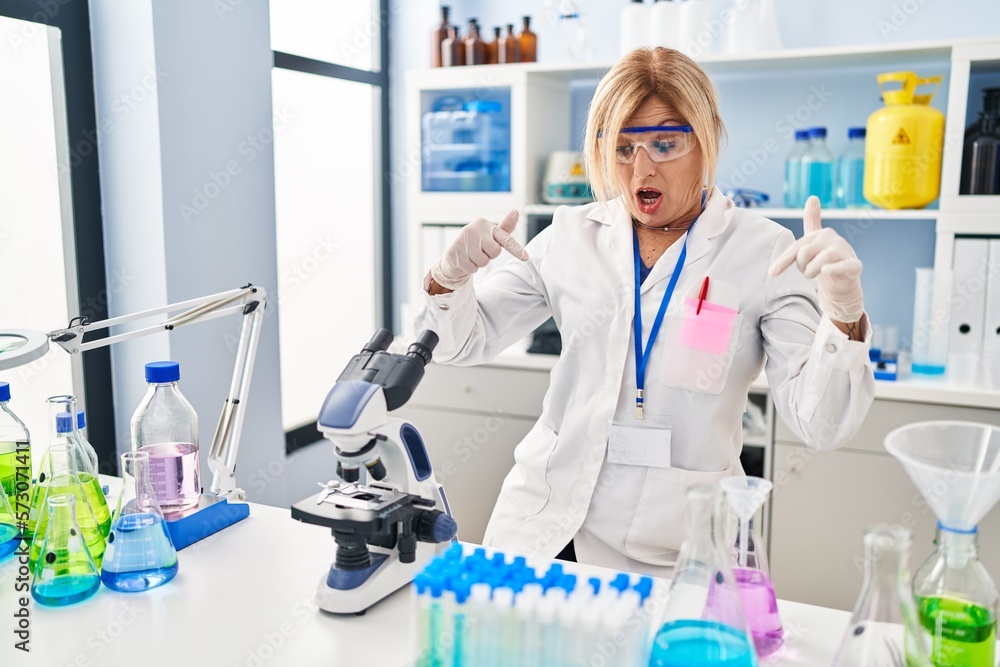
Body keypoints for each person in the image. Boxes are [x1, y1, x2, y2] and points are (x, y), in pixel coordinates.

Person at [414, 47, 874, 577]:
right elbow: (459, 343)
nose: (642, 168)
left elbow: (822, 425)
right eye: (623, 147)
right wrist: (449, 279)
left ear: (707, 140)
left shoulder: (761, 251)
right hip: (540, 525)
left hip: (676, 548)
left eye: (664, 143)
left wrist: (842, 312)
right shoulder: (571, 235)